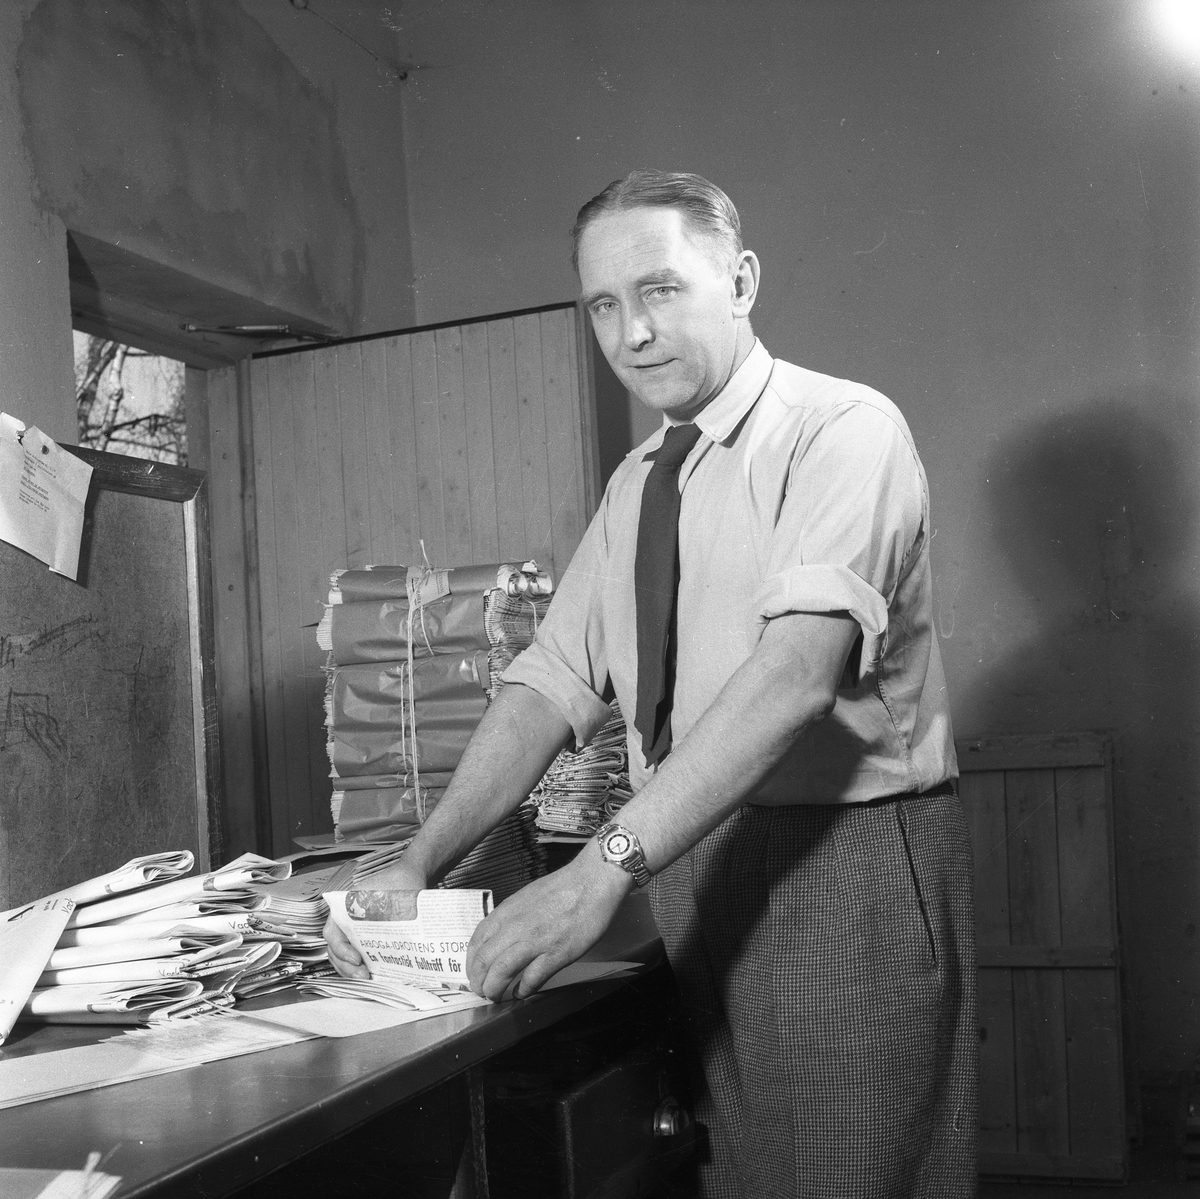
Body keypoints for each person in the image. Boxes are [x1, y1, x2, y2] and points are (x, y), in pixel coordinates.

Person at [324, 169, 977, 1197]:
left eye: (660, 290)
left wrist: (600, 870)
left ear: (741, 281)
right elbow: (549, 679)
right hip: (691, 856)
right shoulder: (641, 479)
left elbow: (795, 676)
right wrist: (418, 860)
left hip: (841, 864)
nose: (632, 333)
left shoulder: (842, 429)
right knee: (747, 1176)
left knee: (855, 1175)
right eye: (602, 305)